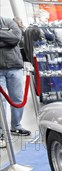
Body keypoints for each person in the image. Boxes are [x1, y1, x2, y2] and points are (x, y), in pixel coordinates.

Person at [0, 16, 31, 148]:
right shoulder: (9, 26)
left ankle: (16, 126)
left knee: (18, 98)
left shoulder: (8, 21)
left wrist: (10, 39)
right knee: (0, 101)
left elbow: (17, 38)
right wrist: (8, 38)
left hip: (15, 66)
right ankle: (1, 132)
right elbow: (12, 39)